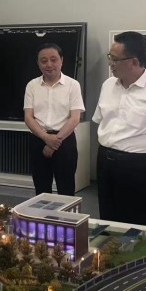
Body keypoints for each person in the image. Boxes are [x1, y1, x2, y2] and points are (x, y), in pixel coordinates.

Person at [93, 31, 146, 226]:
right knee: (107, 220)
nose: (110, 63)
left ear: (134, 61)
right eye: (110, 57)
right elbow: (101, 121)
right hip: (106, 161)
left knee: (137, 224)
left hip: (140, 167)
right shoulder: (108, 85)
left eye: (115, 59)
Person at [23, 43, 85, 195]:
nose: (49, 64)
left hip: (65, 140)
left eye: (53, 59)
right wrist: (46, 138)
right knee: (41, 189)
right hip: (38, 140)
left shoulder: (73, 85)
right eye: (43, 61)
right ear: (38, 63)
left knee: (66, 189)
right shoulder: (32, 85)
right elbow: (28, 117)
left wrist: (53, 143)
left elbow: (75, 118)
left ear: (61, 60)